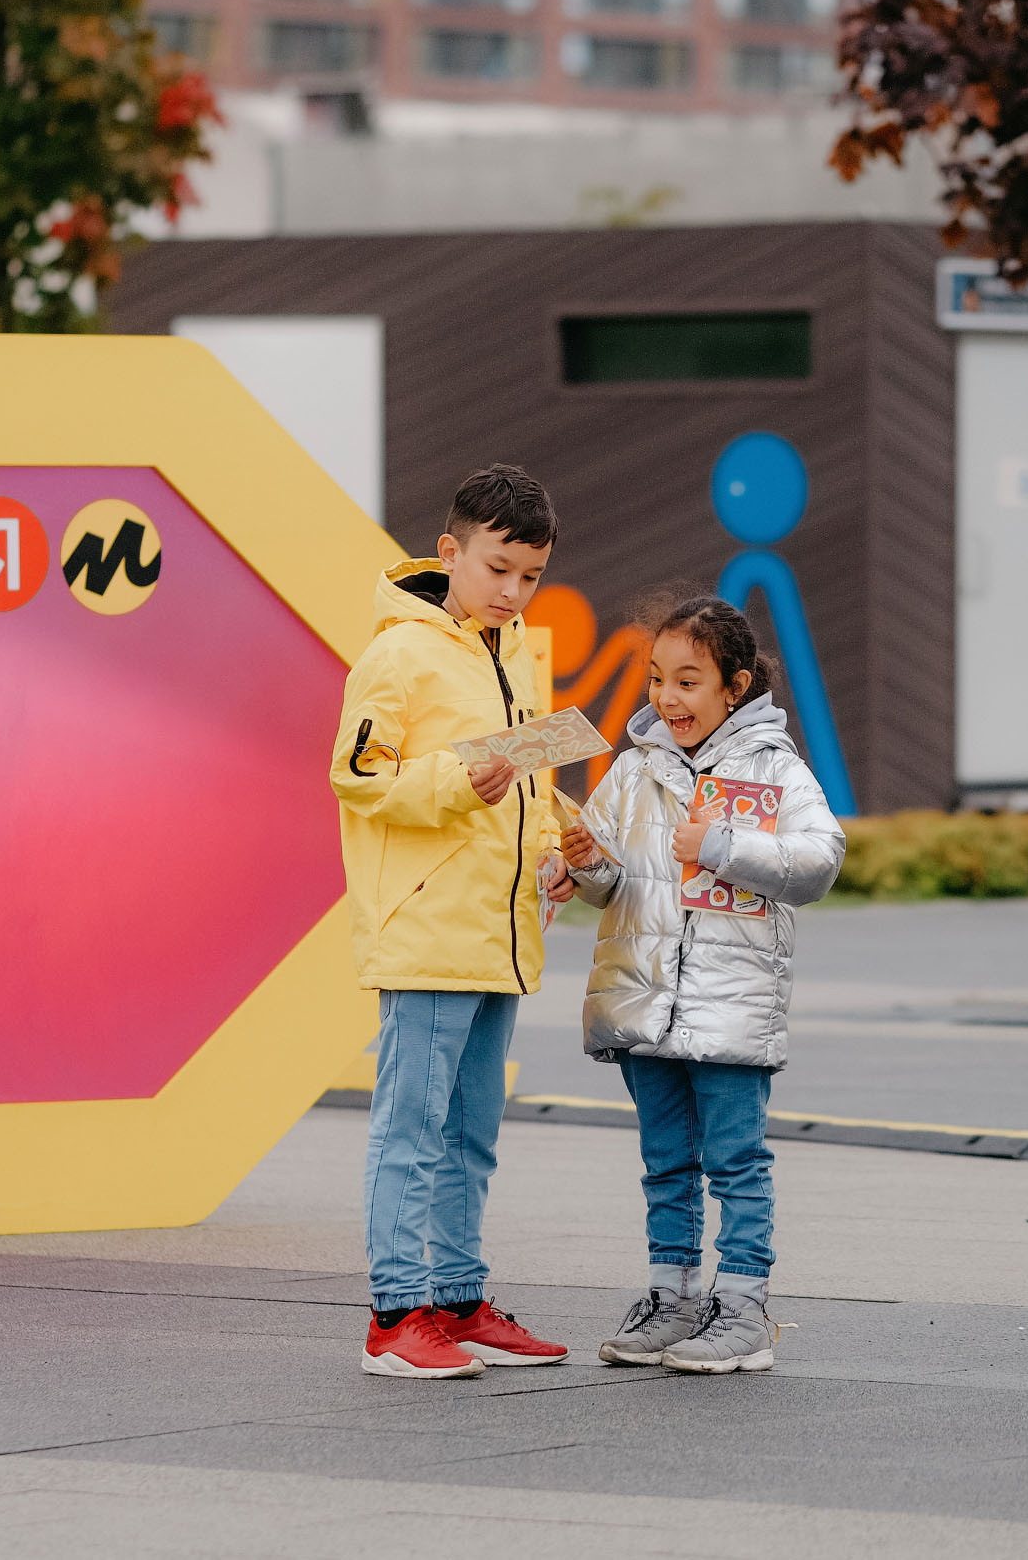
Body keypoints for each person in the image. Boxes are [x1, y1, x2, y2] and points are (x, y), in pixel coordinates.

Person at [330, 464, 578, 1379]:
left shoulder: (519, 648)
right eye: (498, 568)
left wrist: (553, 843)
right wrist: (449, 782)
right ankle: (396, 1315)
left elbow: (531, 770)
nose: (513, 591)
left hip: (500, 930)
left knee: (470, 1129)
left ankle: (459, 1302)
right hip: (428, 928)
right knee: (412, 1126)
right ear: (451, 551)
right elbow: (355, 778)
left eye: (530, 576)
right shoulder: (395, 653)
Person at [559, 596, 843, 1375]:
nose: (667, 698)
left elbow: (820, 860)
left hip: (730, 1011)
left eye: (688, 680)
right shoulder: (631, 769)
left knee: (737, 1160)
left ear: (735, 685)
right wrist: (583, 857)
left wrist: (722, 843)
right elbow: (607, 881)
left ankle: (743, 1307)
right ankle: (672, 1295)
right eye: (656, 679)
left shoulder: (776, 768)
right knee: (665, 1160)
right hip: (646, 1004)